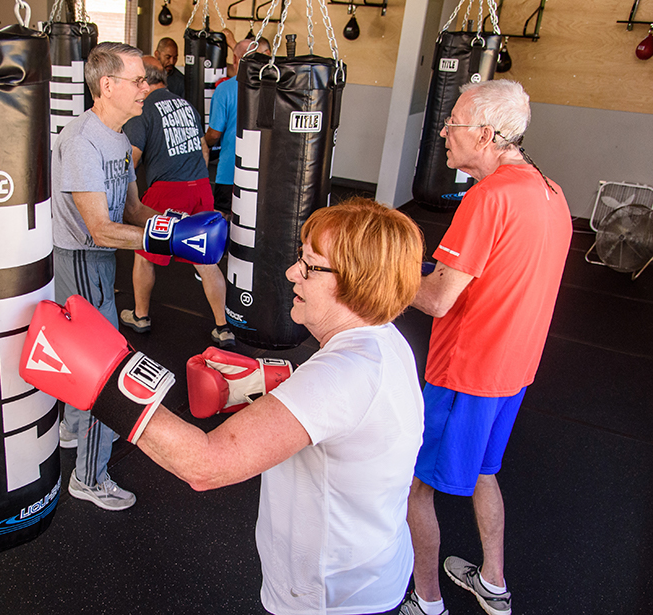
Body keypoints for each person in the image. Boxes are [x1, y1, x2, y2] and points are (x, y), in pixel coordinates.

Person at [23, 198, 426, 615]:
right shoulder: (383, 340)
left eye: (309, 265)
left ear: (355, 280)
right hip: (368, 574)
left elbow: (206, 465)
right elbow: (351, 413)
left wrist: (105, 383)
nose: (292, 273)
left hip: (331, 599)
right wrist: (269, 382)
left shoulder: (343, 374)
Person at [398, 81, 572, 615]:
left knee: (414, 489)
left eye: (453, 122)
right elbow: (497, 274)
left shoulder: (487, 197)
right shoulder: (551, 191)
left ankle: (427, 600)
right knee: (484, 473)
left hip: (466, 372)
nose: (444, 132)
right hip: (514, 370)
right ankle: (493, 582)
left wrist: (382, 274)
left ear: (487, 134)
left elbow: (438, 300)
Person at [51, 42, 228, 511]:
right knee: (106, 374)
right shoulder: (83, 141)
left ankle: (72, 426)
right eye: (137, 81)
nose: (146, 89)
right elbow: (101, 228)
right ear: (107, 85)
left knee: (84, 358)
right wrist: (166, 240)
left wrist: (178, 227)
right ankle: (88, 478)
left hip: (100, 262)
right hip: (83, 260)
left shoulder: (117, 138)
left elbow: (134, 209)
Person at [120, 56, 234, 348]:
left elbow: (131, 160)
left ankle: (141, 316)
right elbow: (203, 149)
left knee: (144, 252)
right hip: (200, 186)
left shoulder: (142, 109)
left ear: (144, 80)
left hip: (168, 190)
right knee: (205, 259)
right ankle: (223, 327)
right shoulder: (187, 106)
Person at [205, 36, 270, 217]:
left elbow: (214, 134)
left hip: (230, 172)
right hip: (262, 172)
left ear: (235, 59)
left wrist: (203, 143)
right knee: (255, 221)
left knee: (223, 220)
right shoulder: (274, 90)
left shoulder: (225, 89)